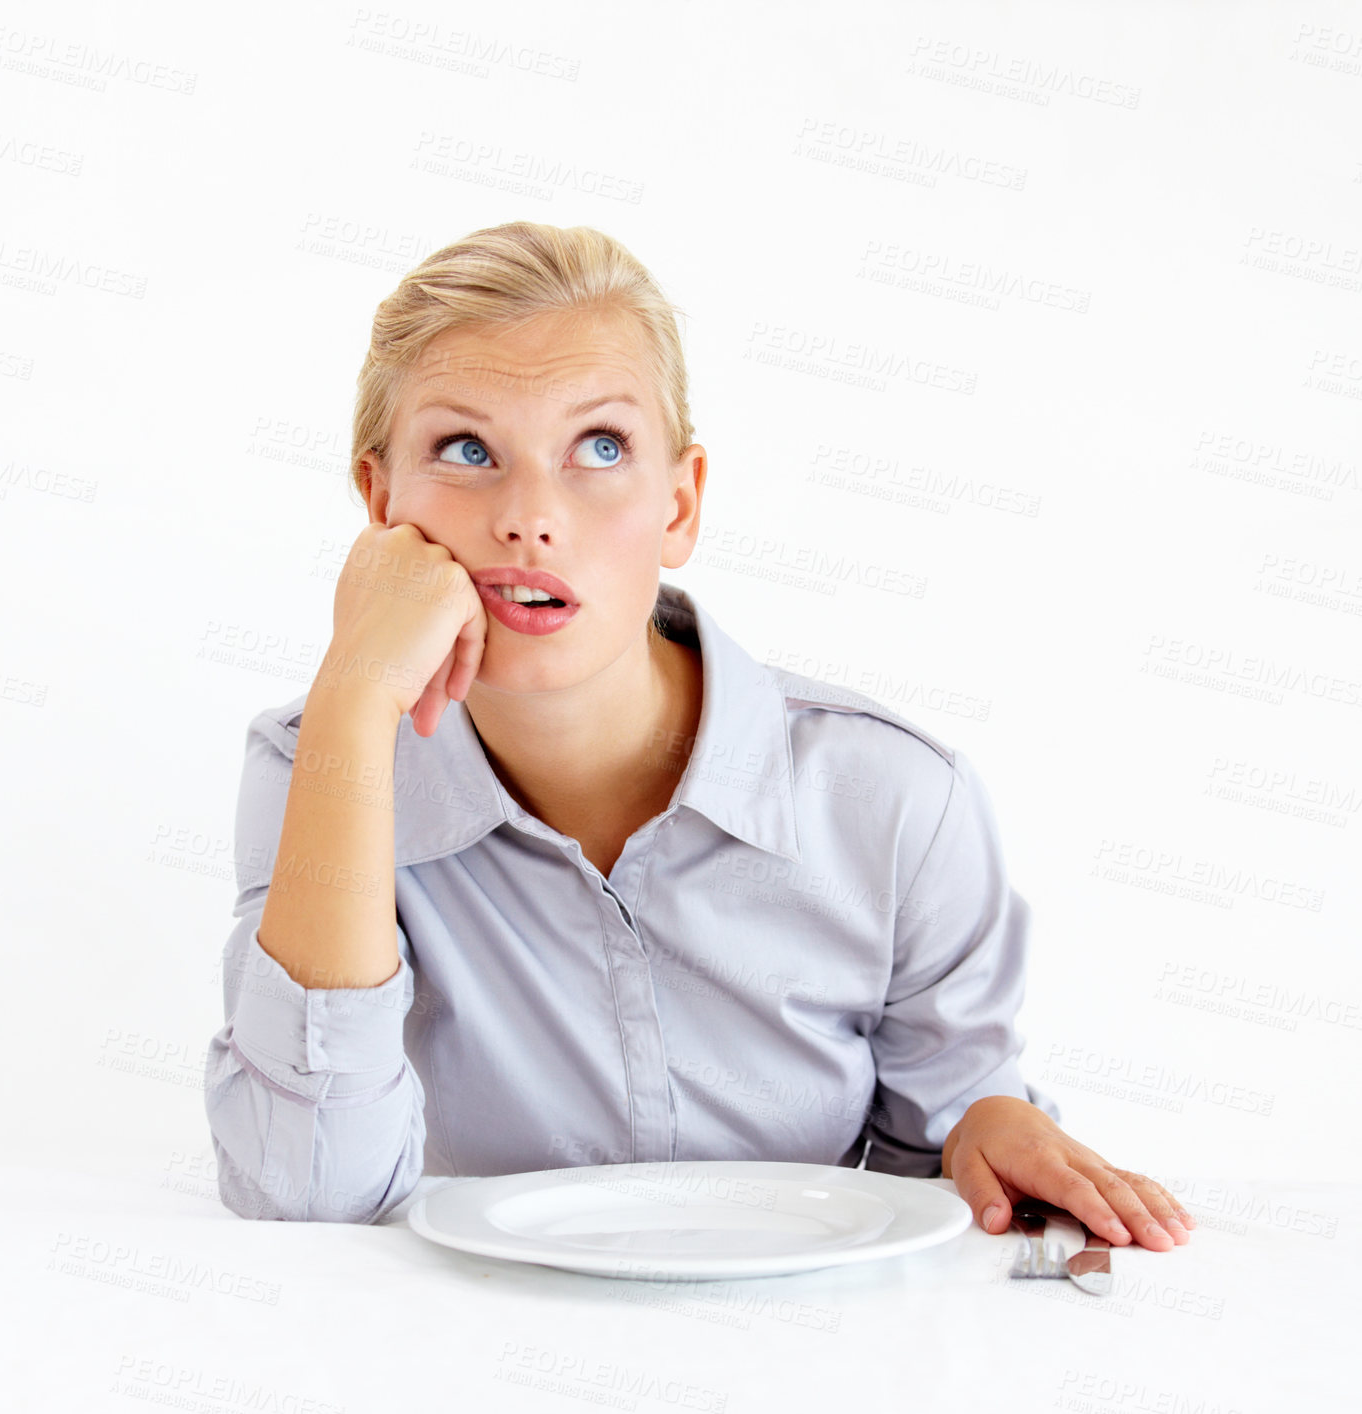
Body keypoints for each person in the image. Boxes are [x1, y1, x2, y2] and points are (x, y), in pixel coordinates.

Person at [203, 221, 1195, 1252]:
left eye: (599, 447)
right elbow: (306, 1196)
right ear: (380, 504)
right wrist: (356, 699)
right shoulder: (316, 763)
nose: (529, 518)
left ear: (679, 503)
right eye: (466, 450)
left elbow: (934, 1193)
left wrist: (981, 1127)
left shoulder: (896, 801)